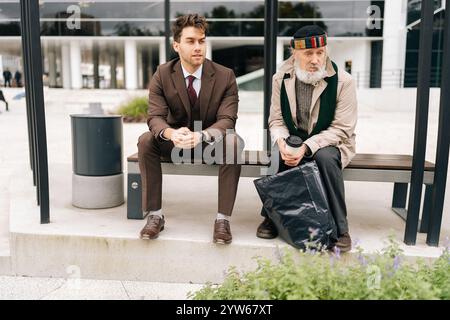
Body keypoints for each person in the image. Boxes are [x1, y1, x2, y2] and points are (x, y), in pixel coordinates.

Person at [138, 14, 244, 245]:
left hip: (209, 143)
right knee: (146, 140)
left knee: (233, 142)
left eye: (201, 41)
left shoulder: (225, 76)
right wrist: (171, 133)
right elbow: (155, 117)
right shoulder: (163, 74)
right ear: (176, 45)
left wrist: (202, 135)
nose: (198, 47)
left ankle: (222, 219)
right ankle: (155, 215)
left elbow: (228, 120)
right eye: (190, 41)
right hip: (175, 143)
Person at [256, 25, 357, 252]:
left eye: (320, 52)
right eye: (308, 54)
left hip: (333, 141)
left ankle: (341, 228)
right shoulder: (280, 78)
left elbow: (342, 128)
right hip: (294, 137)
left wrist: (307, 147)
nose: (315, 59)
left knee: (325, 159)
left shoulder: (343, 81)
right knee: (276, 154)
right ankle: (272, 217)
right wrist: (282, 141)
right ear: (294, 53)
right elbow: (276, 120)